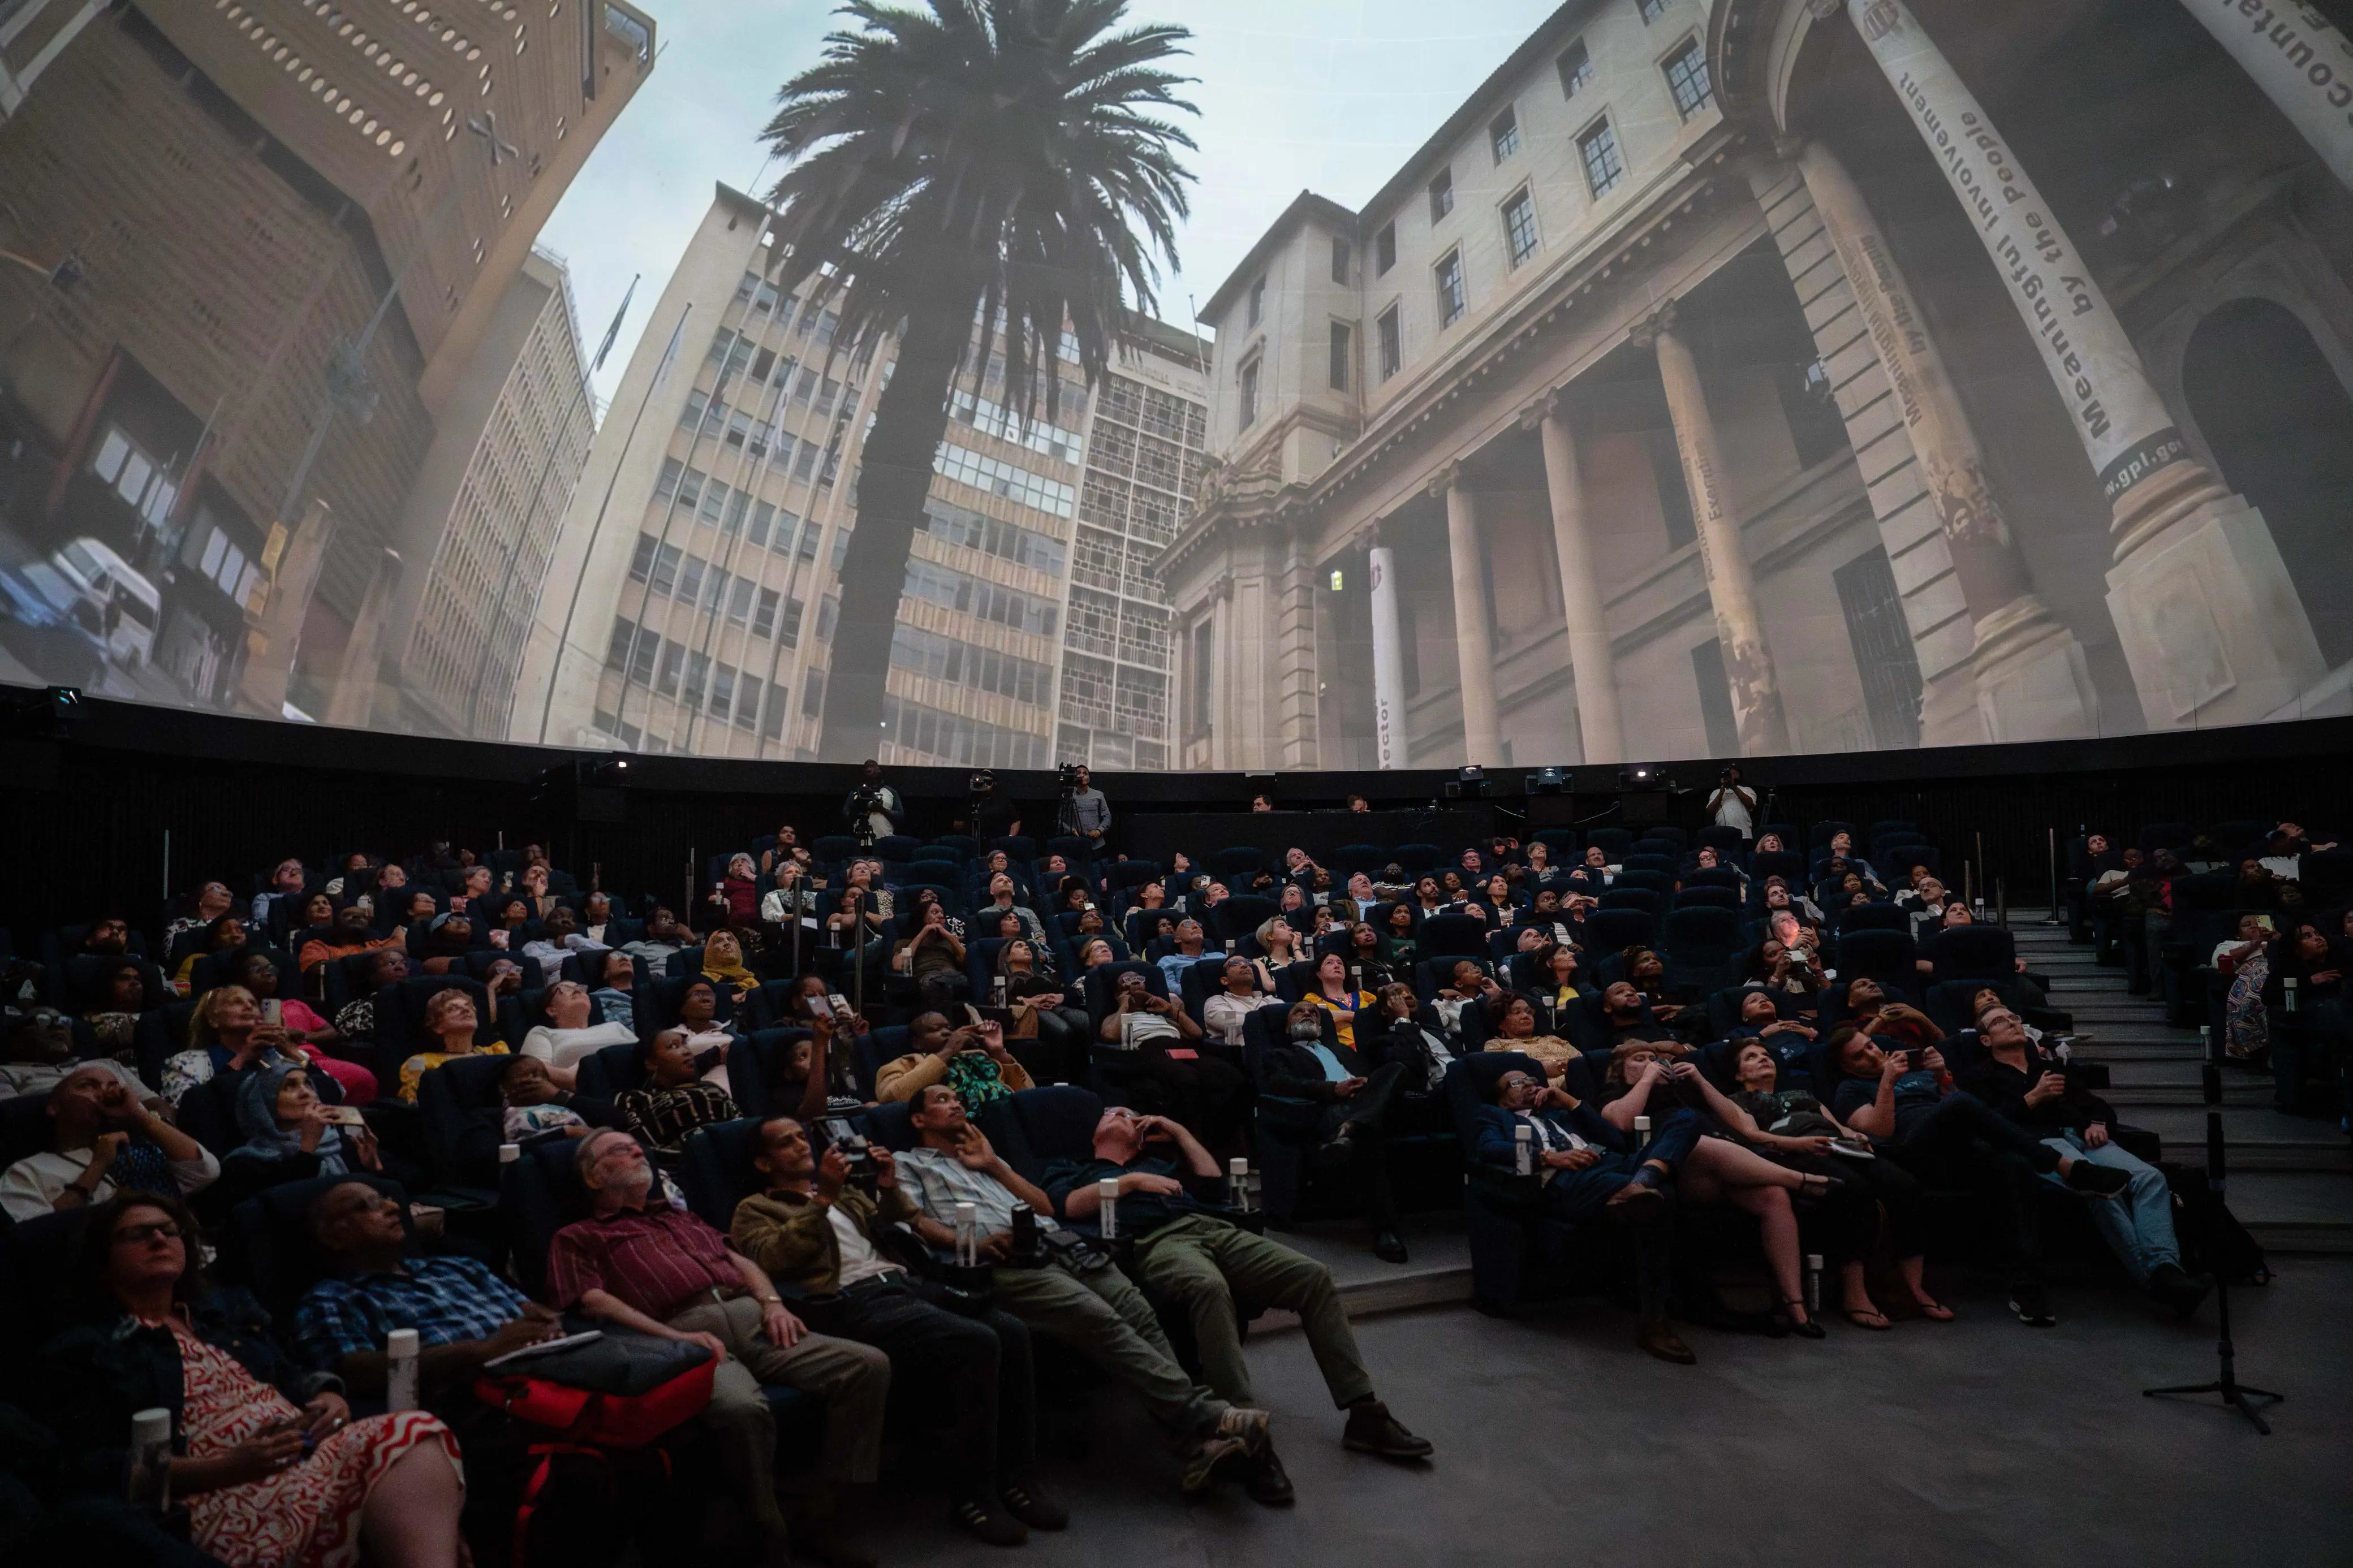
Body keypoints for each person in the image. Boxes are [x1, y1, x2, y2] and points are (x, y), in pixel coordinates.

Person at [35, 1191, 467, 1568]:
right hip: (213, 1491)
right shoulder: (85, 1347)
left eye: (169, 1230)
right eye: (137, 1233)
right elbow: (84, 1468)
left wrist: (327, 1393)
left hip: (305, 1453)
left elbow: (291, 1370)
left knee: (416, 1435)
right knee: (411, 1439)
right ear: (103, 1264)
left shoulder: (223, 1312)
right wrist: (224, 1467)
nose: (159, 1239)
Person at [894, 1085, 1277, 1498]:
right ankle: (1215, 1416)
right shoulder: (907, 1163)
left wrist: (993, 1166)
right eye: (941, 1100)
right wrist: (966, 1242)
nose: (956, 1103)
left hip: (1062, 1242)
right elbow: (912, 1221)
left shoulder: (987, 1155)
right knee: (1102, 1319)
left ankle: (1198, 1441)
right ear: (918, 1119)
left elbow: (1043, 1206)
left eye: (957, 1098)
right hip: (1006, 1258)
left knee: (1141, 1313)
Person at [551, 1129, 889, 1567]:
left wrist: (773, 1303)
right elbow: (591, 1300)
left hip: (752, 1318)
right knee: (740, 1409)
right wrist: (674, 1339)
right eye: (620, 1148)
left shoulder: (680, 1217)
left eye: (638, 1144)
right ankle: (768, 1533)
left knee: (867, 1365)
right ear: (594, 1177)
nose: (638, 1149)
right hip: (679, 1334)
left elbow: (741, 1262)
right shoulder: (578, 1235)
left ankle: (820, 1518)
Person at [1044, 1107, 1430, 1482]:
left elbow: (1212, 1181)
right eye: (1112, 1113)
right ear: (1095, 1133)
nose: (1123, 1115)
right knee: (1209, 1286)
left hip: (1210, 1227)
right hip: (1155, 1241)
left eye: (1130, 1114)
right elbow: (1067, 1204)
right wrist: (1132, 1183)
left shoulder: (1160, 1162)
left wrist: (1177, 1129)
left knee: (1313, 1275)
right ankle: (1245, 1433)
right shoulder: (1073, 1167)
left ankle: (1365, 1413)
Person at [730, 1117, 1064, 1546]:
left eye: (801, 1136)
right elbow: (775, 1258)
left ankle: (1019, 1479)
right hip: (853, 1303)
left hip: (904, 1284)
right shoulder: (754, 1209)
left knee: (1012, 1331)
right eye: (785, 1142)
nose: (800, 1145)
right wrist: (824, 1198)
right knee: (977, 1340)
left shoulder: (845, 1193)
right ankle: (974, 1496)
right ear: (763, 1162)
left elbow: (903, 1218)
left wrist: (887, 1185)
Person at [294, 1180, 563, 1556]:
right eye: (369, 1204)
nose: (391, 1206)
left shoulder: (459, 1266)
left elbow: (529, 1312)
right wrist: (479, 1351)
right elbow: (353, 1368)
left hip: (553, 1371)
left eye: (387, 1198)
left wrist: (546, 1322)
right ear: (334, 1236)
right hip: (471, 1403)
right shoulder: (333, 1297)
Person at [1828, 1027, 2129, 1327]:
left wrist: (1944, 1077)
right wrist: (1887, 1081)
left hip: (1958, 1148)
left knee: (2015, 1166)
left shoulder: (1916, 1074)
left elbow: (1971, 1110)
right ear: (1846, 1066)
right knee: (1960, 1106)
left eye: (1870, 1046)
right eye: (1860, 1055)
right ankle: (2066, 1168)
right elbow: (1880, 1130)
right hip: (1910, 1154)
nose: (1871, 1054)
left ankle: (2028, 1288)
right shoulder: (1850, 1089)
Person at [1961, 1007, 2210, 1316]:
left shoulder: (2048, 1068)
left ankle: (2165, 1270)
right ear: (1986, 1040)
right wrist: (2032, 1098)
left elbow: (2098, 1106)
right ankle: (2161, 1277)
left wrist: (2097, 1122)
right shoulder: (1980, 1077)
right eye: (2001, 1022)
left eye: (2014, 1019)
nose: (2012, 1023)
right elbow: (1988, 1125)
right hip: (2041, 1143)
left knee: (2150, 1178)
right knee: (2102, 1189)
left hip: (2082, 1137)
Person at [1598, 1044, 1841, 1338]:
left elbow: (1741, 1124)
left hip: (1728, 1166)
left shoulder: (1685, 1094)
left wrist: (1700, 1081)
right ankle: (1801, 1180)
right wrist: (1648, 1078)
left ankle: (1796, 1306)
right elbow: (1621, 1121)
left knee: (1773, 1196)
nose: (1653, 1063)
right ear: (1619, 1074)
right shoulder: (1615, 1095)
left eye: (1655, 1058)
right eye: (1640, 1060)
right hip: (1678, 1173)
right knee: (1696, 1141)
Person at [1474, 1066, 1696, 1362]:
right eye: (1517, 1081)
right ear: (1502, 1097)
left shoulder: (1560, 1114)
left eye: (1532, 1079)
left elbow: (1616, 1141)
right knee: (1662, 1197)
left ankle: (1641, 1184)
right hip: (1572, 1178)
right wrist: (1549, 1156)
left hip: (1615, 1164)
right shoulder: (1494, 1115)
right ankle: (1655, 1319)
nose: (1529, 1083)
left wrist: (1569, 1101)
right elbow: (1488, 1148)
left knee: (1686, 1119)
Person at [1721, 1039, 1940, 1329]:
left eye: (1766, 1055)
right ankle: (1854, 1291)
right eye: (1751, 1057)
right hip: (1793, 1151)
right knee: (1852, 1188)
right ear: (1739, 1075)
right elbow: (1751, 1139)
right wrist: (1802, 1144)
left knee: (1905, 1185)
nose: (1763, 1059)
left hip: (1837, 1145)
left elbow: (1839, 1126)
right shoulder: (1738, 1101)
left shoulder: (1803, 1093)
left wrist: (1857, 1137)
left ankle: (1914, 1286)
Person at [1261, 999, 1411, 1263]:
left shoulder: (1343, 1051)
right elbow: (1280, 1084)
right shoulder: (1281, 1055)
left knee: (1396, 1069)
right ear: (1287, 1028)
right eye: (1300, 1012)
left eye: (1314, 1014)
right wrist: (1333, 1089)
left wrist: (1366, 1083)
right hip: (1330, 1110)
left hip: (1365, 1105)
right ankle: (1385, 1230)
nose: (1308, 1014)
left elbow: (1373, 1077)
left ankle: (1352, 1129)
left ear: (1320, 1026)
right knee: (1370, 1138)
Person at [1, 1061, 220, 1220]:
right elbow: (37, 1237)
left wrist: (139, 1114)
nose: (106, 1093)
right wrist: (98, 1165)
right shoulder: (27, 1172)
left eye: (112, 1085)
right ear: (54, 1107)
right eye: (88, 1086)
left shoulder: (145, 1155)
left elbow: (206, 1172)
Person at [210, 1064, 382, 1210]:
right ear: (263, 1103)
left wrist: (372, 1166)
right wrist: (308, 1147)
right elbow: (285, 1207)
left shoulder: (341, 1143)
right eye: (290, 1086)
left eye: (308, 1084)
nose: (306, 1093)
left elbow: (373, 1204)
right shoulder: (245, 1163)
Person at [614, 1029, 738, 1160]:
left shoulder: (711, 1087)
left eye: (685, 1045)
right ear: (651, 1063)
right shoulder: (635, 1099)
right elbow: (643, 1148)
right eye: (673, 1046)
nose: (687, 1051)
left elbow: (739, 1123)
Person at [876, 1010, 1036, 1111]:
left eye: (949, 1029)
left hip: (1012, 1115)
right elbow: (892, 1098)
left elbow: (1029, 1093)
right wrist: (949, 1051)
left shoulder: (978, 1056)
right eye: (935, 1030)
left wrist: (998, 1052)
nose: (946, 1032)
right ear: (916, 1042)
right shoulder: (903, 1065)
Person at [517, 979, 635, 1087]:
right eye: (566, 988)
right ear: (552, 1010)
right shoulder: (542, 1033)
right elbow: (532, 1070)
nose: (577, 990)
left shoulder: (615, 1026)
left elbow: (643, 1054)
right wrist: (582, 1081)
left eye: (580, 988)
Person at [396, 990, 508, 1103]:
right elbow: (415, 1103)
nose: (466, 1010)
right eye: (453, 1009)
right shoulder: (418, 1061)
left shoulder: (497, 1051)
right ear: (437, 1027)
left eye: (468, 1006)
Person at [2213, 912, 2274, 1062]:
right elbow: (2219, 962)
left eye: (2258, 923)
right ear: (2238, 934)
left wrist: (2275, 937)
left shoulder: (2278, 941)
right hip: (2251, 977)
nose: (2254, 927)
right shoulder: (2230, 944)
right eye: (2247, 925)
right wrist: (2256, 943)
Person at [1481, 992, 1579, 1082]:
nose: (1525, 1016)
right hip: (1540, 1088)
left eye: (1529, 1012)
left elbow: (1582, 1063)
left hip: (1577, 1080)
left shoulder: (1553, 1040)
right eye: (1517, 1012)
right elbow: (1504, 1077)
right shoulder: (1496, 1045)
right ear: (1501, 1023)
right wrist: (1543, 1068)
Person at [1203, 954, 1283, 1046]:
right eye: (1234, 963)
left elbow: (1292, 1020)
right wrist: (1274, 1020)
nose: (1245, 966)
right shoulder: (1216, 1002)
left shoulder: (1270, 1000)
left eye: (1247, 963)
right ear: (1225, 980)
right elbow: (1231, 1024)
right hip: (1245, 1055)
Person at [295, 905, 401, 974]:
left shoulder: (377, 944)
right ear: (335, 924)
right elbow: (317, 971)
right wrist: (373, 956)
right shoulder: (317, 947)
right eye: (347, 915)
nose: (356, 917)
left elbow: (405, 951)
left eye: (363, 917)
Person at [519, 906, 606, 989]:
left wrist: (572, 940)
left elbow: (610, 953)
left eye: (571, 918)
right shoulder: (533, 946)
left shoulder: (580, 943)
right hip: (558, 992)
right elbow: (539, 964)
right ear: (547, 924)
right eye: (558, 916)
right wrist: (583, 959)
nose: (566, 920)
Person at [843, 759, 903, 841]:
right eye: (868, 770)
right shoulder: (856, 792)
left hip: (885, 842)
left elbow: (900, 817)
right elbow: (845, 817)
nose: (872, 771)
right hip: (859, 841)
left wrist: (881, 809)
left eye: (875, 768)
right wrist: (859, 808)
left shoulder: (891, 792)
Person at [1057, 763, 1112, 851]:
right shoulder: (1068, 795)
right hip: (1075, 843)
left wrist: (1099, 831)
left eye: (1085, 773)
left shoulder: (1098, 795)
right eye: (1079, 773)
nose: (1082, 775)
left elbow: (1107, 817)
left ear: (1089, 778)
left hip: (1096, 844)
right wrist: (1071, 830)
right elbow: (1060, 820)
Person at [620, 906, 690, 966]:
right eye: (665, 919)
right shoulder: (636, 947)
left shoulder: (680, 946)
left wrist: (692, 938)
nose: (671, 922)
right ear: (651, 927)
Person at [1706, 765, 1756, 840]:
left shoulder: (1747, 790)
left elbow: (1750, 804)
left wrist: (1733, 787)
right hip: (1722, 835)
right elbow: (1709, 811)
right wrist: (1722, 792)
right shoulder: (1717, 792)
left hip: (1744, 834)